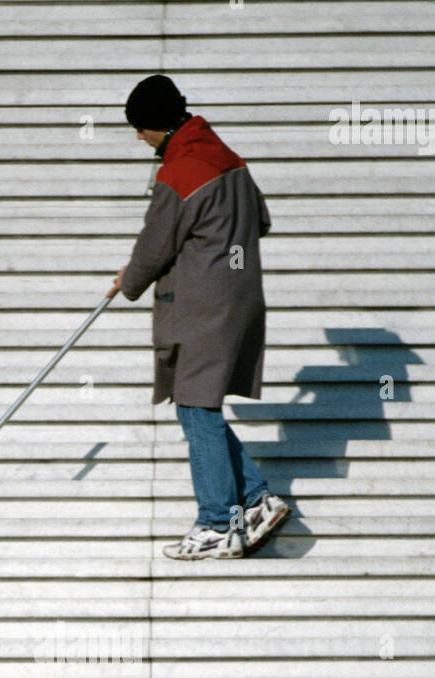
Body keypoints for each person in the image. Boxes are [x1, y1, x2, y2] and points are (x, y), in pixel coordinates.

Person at [109, 74, 290, 560]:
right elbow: (263, 220)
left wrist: (129, 281)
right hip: (238, 296)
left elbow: (155, 244)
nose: (138, 138)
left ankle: (216, 522)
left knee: (195, 407)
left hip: (203, 305)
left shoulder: (180, 169)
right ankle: (257, 500)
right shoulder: (226, 157)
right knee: (200, 406)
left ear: (157, 126)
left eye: (139, 129)